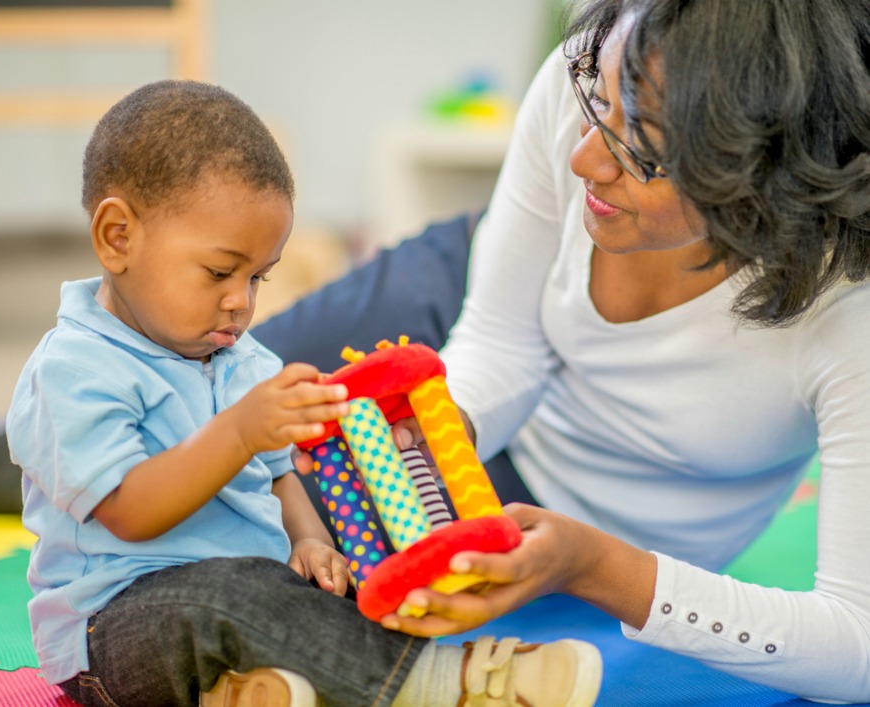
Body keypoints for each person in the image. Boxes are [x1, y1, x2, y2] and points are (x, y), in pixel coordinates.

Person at [314, 0, 866, 704]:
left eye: (642, 151)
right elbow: (501, 339)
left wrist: (595, 566)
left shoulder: (851, 316)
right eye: (594, 103)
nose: (583, 158)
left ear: (764, 176)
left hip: (593, 535)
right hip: (457, 316)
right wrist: (438, 426)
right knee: (197, 423)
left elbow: (856, 644)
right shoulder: (607, 61)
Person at [4, 80, 603, 707]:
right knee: (227, 600)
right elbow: (128, 512)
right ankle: (452, 683)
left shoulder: (240, 359)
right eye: (218, 272)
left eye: (258, 277)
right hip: (119, 630)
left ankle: (253, 693)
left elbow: (281, 477)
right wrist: (238, 432)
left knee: (339, 584)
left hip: (249, 596)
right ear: (118, 236)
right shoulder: (72, 369)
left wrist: (311, 541)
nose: (241, 301)